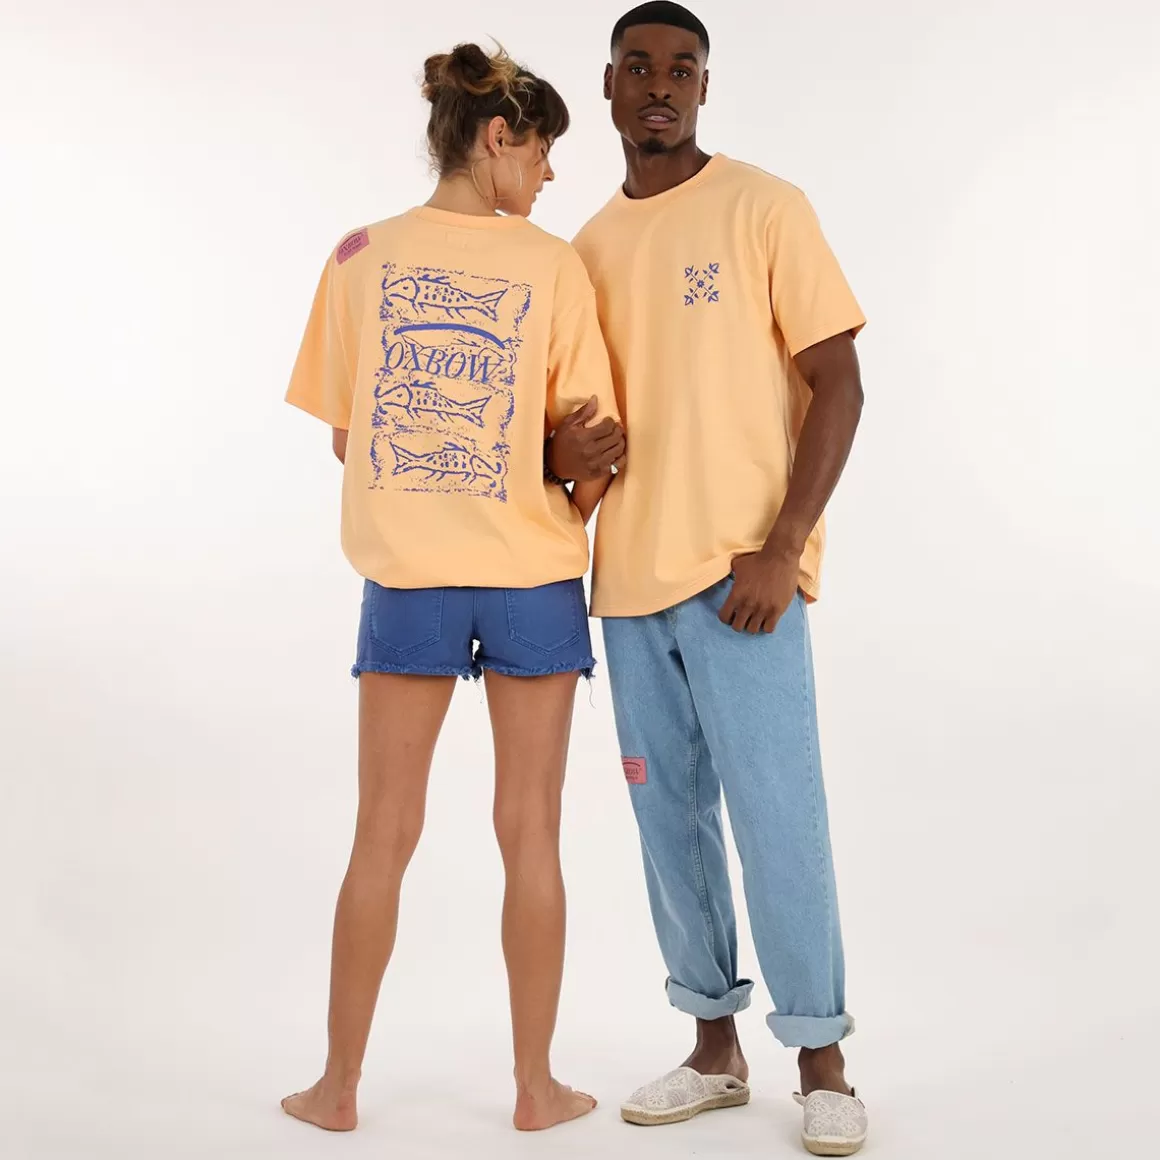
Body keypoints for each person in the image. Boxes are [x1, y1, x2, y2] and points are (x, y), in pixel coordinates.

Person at [281, 42, 624, 1134]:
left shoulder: (358, 255)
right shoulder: (554, 267)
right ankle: (535, 1088)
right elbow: (594, 452)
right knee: (531, 832)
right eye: (543, 151)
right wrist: (546, 485)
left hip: (410, 584)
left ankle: (337, 1087)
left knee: (381, 831)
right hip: (533, 581)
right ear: (497, 137)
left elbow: (350, 440)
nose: (551, 175)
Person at [551, 3, 870, 1154]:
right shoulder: (584, 249)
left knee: (779, 813)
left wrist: (782, 544)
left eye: (680, 68)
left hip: (745, 581)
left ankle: (821, 1059)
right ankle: (711, 1049)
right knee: (667, 823)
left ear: (702, 88)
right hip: (626, 585)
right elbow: (574, 426)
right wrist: (558, 454)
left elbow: (838, 381)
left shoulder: (762, 207)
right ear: (606, 87)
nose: (659, 84)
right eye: (637, 67)